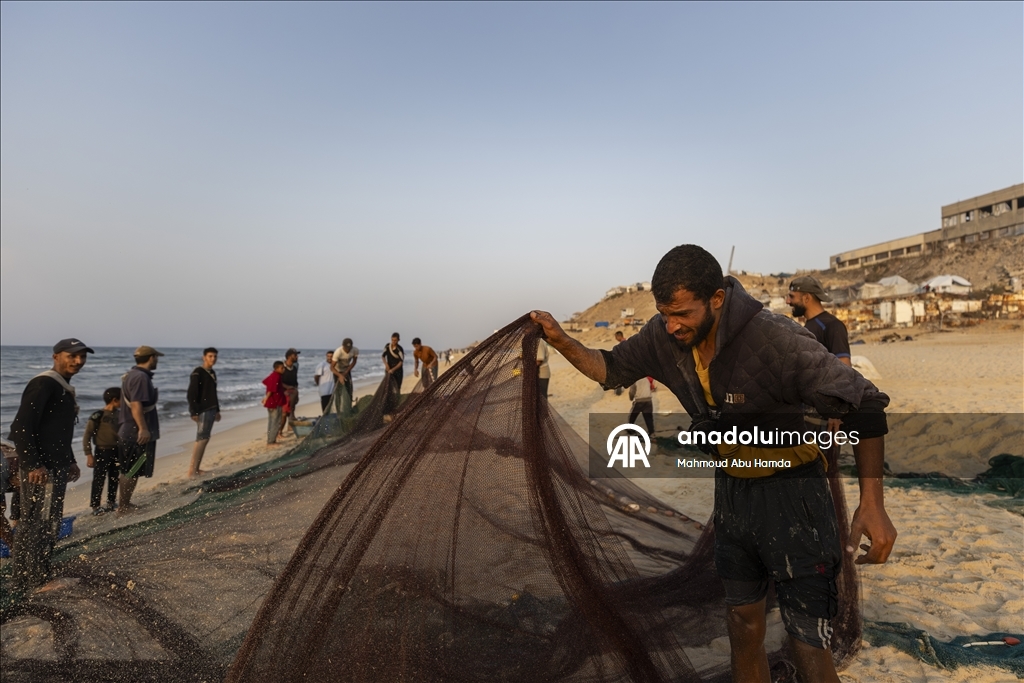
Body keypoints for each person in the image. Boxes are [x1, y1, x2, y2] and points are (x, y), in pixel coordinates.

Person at [531, 244, 896, 683]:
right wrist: (562, 340)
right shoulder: (663, 336)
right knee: (742, 626)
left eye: (682, 313)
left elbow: (867, 404)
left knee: (807, 642)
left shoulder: (775, 337)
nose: (672, 325)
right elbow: (609, 369)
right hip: (732, 495)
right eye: (665, 313)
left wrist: (871, 503)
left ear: (717, 299)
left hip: (793, 493)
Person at [7, 338, 91, 591]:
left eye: (82, 356)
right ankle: (39, 580)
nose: (78, 361)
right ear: (56, 356)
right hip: (41, 470)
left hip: (55, 464)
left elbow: (56, 431)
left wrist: (71, 460)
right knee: (40, 523)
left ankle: (24, 578)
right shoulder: (44, 384)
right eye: (72, 355)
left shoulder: (62, 387)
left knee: (36, 522)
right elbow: (21, 427)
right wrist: (33, 465)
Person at [117, 345, 164, 515]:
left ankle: (125, 504)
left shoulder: (132, 375)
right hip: (134, 432)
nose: (157, 360)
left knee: (129, 469)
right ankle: (123, 507)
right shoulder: (140, 377)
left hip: (128, 430)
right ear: (151, 357)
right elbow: (136, 405)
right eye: (156, 357)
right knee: (132, 469)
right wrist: (143, 429)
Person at [786, 276, 851, 366]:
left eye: (792, 296)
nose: (787, 301)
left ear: (806, 298)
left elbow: (845, 369)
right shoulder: (808, 327)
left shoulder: (832, 326)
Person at [83, 387, 121, 515]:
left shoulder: (120, 415)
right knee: (99, 478)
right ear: (114, 400)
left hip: (117, 451)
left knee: (114, 477)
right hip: (102, 451)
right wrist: (89, 454)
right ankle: (95, 506)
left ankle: (111, 502)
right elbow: (87, 435)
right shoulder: (98, 415)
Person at [186, 347, 220, 478]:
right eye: (210, 356)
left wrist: (217, 410)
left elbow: (213, 393)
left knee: (205, 438)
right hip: (203, 410)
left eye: (215, 356)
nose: (213, 359)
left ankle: (196, 468)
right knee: (201, 438)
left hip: (211, 408)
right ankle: (192, 471)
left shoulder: (211, 372)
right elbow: (191, 393)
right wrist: (193, 411)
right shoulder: (198, 372)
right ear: (204, 357)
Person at [262, 361, 288, 445]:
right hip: (274, 403)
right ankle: (271, 441)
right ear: (276, 368)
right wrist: (266, 398)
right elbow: (271, 389)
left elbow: (266, 382)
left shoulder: (273, 376)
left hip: (274, 401)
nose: (283, 369)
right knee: (275, 421)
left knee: (272, 421)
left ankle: (271, 439)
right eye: (282, 368)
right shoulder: (275, 376)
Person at [331, 339, 359, 415]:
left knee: (349, 389)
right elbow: (332, 368)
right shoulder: (338, 352)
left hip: (347, 370)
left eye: (349, 348)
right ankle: (338, 412)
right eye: (346, 348)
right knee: (338, 392)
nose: (347, 350)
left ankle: (348, 409)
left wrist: (346, 371)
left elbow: (354, 361)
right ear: (343, 346)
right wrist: (340, 376)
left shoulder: (355, 350)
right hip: (337, 371)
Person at [280, 349, 301, 433]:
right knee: (284, 413)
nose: (297, 357)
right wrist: (287, 387)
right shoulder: (282, 367)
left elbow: (295, 379)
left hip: (293, 391)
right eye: (295, 355)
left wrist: (296, 391)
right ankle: (279, 431)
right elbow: (278, 381)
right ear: (289, 357)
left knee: (292, 409)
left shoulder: (295, 367)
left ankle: (290, 426)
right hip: (284, 393)